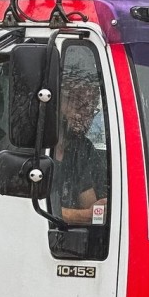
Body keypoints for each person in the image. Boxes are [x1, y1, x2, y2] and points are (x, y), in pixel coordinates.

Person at [52, 72, 108, 225]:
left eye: (90, 107)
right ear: (56, 102)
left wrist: (95, 212)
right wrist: (87, 216)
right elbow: (35, 212)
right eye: (78, 104)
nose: (85, 114)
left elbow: (91, 205)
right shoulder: (27, 145)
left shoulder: (82, 147)